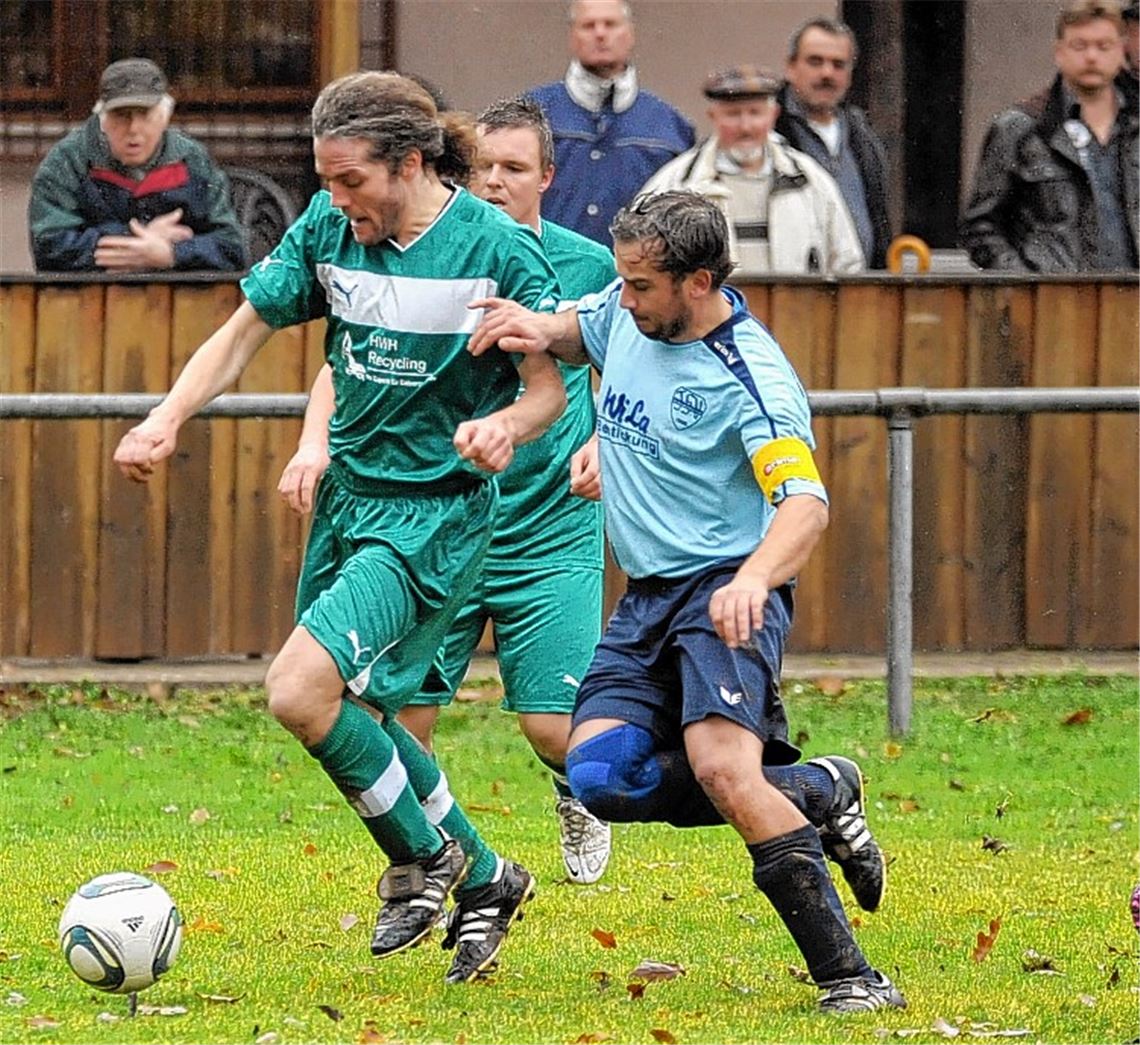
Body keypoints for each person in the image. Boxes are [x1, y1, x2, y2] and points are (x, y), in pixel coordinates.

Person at [113, 72, 568, 985]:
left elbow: (550, 390)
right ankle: (483, 874)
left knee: (297, 690)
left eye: (351, 180)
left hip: (433, 515)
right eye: (325, 180)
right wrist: (167, 418)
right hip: (350, 505)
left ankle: (425, 857)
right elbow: (243, 330)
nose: (333, 199)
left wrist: (504, 427)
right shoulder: (331, 229)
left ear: (409, 163)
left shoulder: (497, 252)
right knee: (352, 708)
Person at [466, 190, 905, 1014]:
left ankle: (852, 977)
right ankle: (819, 789)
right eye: (622, 282)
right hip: (647, 598)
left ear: (697, 281)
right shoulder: (627, 315)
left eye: (640, 285)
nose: (622, 298)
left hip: (725, 593)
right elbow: (576, 329)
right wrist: (526, 322)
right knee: (599, 774)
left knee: (723, 770)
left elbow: (805, 503)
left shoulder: (752, 377)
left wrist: (753, 578)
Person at [278, 96, 617, 886]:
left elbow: (620, 370)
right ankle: (458, 875)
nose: (496, 182)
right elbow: (350, 358)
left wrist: (604, 440)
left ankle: (572, 794)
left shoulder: (585, 267)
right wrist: (312, 442)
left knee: (554, 728)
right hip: (438, 516)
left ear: (548, 178)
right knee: (399, 719)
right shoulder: (419, 249)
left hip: (547, 524)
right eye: (486, 166)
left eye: (516, 169)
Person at [960, 0, 1138, 271]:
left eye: (1104, 46)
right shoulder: (1020, 128)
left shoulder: (1134, 128)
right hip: (1052, 303)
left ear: (1121, 51)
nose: (1091, 57)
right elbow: (981, 226)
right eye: (1079, 45)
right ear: (1059, 52)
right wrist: (1027, 285)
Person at [640, 66, 864, 276]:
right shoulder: (676, 184)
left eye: (755, 113)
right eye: (733, 114)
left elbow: (847, 263)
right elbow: (643, 261)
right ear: (713, 116)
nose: (745, 127)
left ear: (773, 115)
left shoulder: (810, 181)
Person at [28, 58, 244, 272]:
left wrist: (173, 253)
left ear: (164, 117)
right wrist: (136, 239)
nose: (133, 129)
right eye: (121, 116)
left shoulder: (193, 159)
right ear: (102, 119)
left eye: (145, 115)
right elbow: (49, 246)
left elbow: (232, 248)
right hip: (89, 298)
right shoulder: (66, 162)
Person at [527, 0, 694, 245]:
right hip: (552, 269)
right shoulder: (531, 115)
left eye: (610, 24)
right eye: (588, 25)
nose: (600, 34)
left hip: (637, 275)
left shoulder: (669, 125)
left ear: (630, 34)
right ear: (572, 36)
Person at [775, 17, 893, 269]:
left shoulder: (862, 134)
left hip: (861, 291)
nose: (827, 73)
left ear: (850, 74)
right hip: (792, 291)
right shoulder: (769, 130)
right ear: (790, 67)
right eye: (815, 61)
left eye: (838, 64)